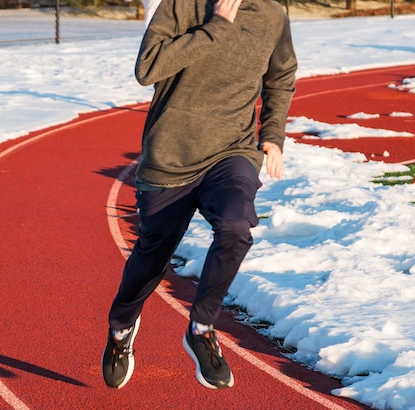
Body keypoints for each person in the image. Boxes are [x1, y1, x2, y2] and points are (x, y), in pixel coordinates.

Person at [102, 0, 297, 390]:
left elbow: (280, 78)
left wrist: (272, 136)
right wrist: (215, 28)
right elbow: (147, 69)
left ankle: (201, 326)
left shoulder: (272, 15)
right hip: (170, 157)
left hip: (232, 152)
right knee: (151, 257)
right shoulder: (181, 6)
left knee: (236, 226)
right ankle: (122, 328)